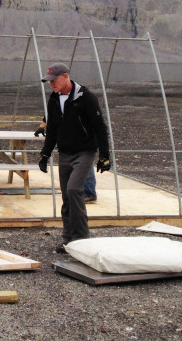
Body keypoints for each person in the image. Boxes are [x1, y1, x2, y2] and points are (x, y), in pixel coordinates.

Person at [37, 62, 111, 253]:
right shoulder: (53, 99)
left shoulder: (85, 97)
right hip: (65, 153)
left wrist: (104, 155)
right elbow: (52, 129)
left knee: (74, 190)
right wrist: (45, 154)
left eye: (54, 80)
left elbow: (100, 127)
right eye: (49, 81)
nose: (51, 84)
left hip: (84, 151)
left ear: (65, 77)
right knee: (67, 195)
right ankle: (68, 239)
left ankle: (82, 238)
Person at [35, 120, 97, 202]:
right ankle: (80, 192)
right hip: (70, 134)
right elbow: (53, 112)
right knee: (77, 164)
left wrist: (42, 126)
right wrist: (42, 126)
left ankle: (88, 193)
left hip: (81, 135)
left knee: (84, 163)